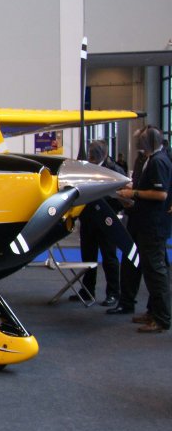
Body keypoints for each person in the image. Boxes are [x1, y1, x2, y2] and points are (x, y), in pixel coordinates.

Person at [109, 126, 171, 333]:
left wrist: (133, 193)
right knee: (151, 270)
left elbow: (161, 194)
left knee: (155, 272)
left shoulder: (158, 162)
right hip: (145, 222)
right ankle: (154, 312)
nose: (137, 144)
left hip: (153, 225)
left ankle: (161, 318)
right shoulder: (150, 160)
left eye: (141, 140)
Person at [77, 140, 125, 307]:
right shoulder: (85, 169)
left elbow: (121, 196)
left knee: (109, 258)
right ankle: (87, 290)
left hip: (107, 220)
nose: (91, 156)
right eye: (91, 153)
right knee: (87, 257)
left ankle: (113, 293)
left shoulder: (114, 170)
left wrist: (109, 209)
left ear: (103, 154)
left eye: (94, 153)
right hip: (88, 220)